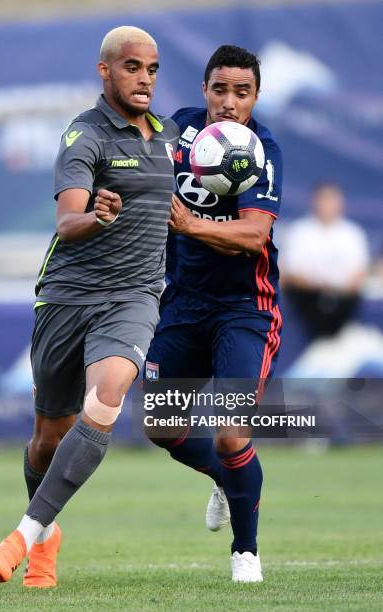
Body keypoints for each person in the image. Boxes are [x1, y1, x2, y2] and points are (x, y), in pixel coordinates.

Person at [0, 25, 178, 587]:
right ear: (105, 71)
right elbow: (67, 224)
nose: (144, 79)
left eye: (153, 69)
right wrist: (98, 215)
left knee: (109, 395)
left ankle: (23, 534)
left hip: (133, 299)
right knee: (48, 437)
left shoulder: (168, 139)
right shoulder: (84, 136)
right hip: (67, 299)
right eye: (132, 67)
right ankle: (48, 535)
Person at [144, 45, 283, 582]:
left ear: (255, 97)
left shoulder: (262, 149)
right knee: (159, 424)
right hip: (182, 303)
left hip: (245, 309)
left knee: (230, 431)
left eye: (241, 92)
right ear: (204, 91)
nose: (229, 102)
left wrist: (191, 226)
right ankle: (227, 480)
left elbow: (252, 234)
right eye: (220, 90)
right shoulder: (177, 132)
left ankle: (245, 553)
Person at [281, 182, 370, 339]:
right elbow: (291, 274)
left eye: (333, 199)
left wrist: (335, 291)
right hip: (306, 299)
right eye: (324, 199)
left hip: (344, 301)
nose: (328, 205)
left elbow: (359, 275)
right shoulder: (299, 231)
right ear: (314, 201)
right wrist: (321, 288)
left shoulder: (353, 233)